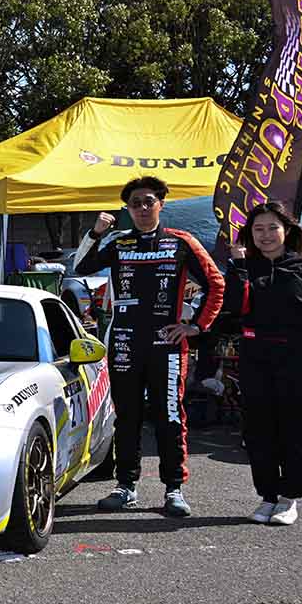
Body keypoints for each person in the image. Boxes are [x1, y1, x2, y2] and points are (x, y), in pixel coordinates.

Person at [75, 175, 224, 517]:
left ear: (161, 205)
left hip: (167, 348)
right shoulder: (118, 244)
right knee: (126, 418)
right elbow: (81, 266)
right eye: (135, 204)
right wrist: (95, 232)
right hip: (125, 344)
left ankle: (174, 488)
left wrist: (195, 326)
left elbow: (217, 285)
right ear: (127, 209)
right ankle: (125, 486)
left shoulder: (181, 242)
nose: (142, 208)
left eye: (148, 202)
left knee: (169, 416)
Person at [215, 202, 302, 526]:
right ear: (249, 235)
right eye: (258, 229)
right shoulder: (242, 265)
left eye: (272, 228)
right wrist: (238, 267)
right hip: (255, 357)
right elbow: (235, 309)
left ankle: (289, 498)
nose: (266, 235)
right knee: (258, 432)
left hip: (296, 359)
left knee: (295, 432)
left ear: (287, 230)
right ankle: (267, 496)